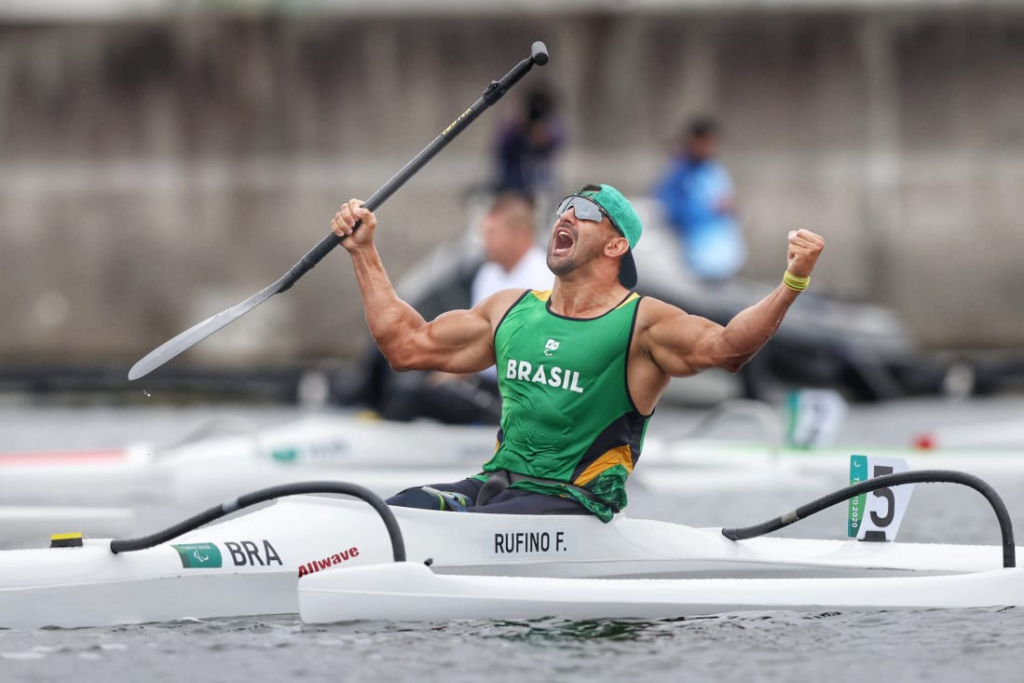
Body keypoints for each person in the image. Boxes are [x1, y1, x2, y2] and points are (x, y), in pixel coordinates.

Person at [331, 183, 824, 521]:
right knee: (393, 510)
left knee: (459, 524)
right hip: (495, 488)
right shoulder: (510, 310)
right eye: (565, 206)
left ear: (615, 247)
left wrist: (792, 281)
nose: (566, 215)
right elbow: (406, 346)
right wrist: (363, 253)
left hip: (573, 504)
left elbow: (728, 348)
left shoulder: (643, 323)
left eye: (586, 213)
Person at [379, 191, 552, 423]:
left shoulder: (542, 277)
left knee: (413, 398)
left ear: (518, 235)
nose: (484, 242)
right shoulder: (487, 273)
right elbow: (475, 334)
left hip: (516, 392)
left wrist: (461, 371)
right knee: (403, 383)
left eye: (491, 234)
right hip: (480, 378)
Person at [654, 117, 746, 281]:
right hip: (698, 256)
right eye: (706, 142)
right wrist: (710, 209)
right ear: (693, 141)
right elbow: (672, 212)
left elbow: (729, 203)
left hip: (723, 257)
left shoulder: (713, 169)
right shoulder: (680, 174)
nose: (710, 147)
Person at [491, 86, 566, 197]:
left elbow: (559, 140)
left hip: (543, 183)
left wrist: (545, 139)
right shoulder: (513, 127)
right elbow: (502, 147)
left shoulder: (552, 127)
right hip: (512, 183)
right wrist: (520, 131)